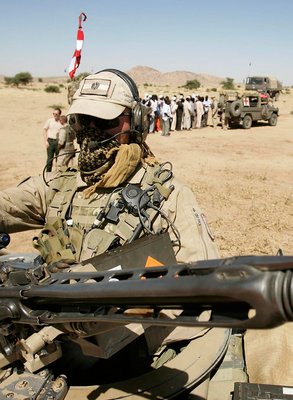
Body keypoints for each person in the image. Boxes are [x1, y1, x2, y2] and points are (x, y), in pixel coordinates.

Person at [0, 69, 239, 398]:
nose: (92, 131)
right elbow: (7, 206)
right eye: (83, 120)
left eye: (106, 121)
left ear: (136, 122)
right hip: (45, 340)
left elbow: (201, 280)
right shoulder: (59, 184)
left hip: (127, 356)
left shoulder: (166, 194)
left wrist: (128, 311)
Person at [43, 107, 62, 172]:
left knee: (59, 159)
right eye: (53, 114)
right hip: (50, 141)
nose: (54, 115)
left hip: (58, 142)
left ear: (59, 114)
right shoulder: (50, 121)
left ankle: (57, 173)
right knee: (49, 159)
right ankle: (47, 174)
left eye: (56, 114)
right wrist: (46, 141)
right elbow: (44, 129)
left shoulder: (61, 122)